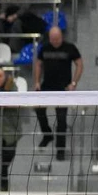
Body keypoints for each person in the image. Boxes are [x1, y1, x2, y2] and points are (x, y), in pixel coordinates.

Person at [33, 27, 82, 161]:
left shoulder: (70, 48)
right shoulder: (44, 48)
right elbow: (38, 64)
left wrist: (73, 83)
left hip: (63, 89)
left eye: (57, 39)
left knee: (61, 120)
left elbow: (79, 64)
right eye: (53, 39)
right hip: (47, 86)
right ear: (49, 38)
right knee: (38, 110)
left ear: (61, 37)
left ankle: (60, 150)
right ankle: (47, 134)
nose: (55, 41)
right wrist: (37, 82)